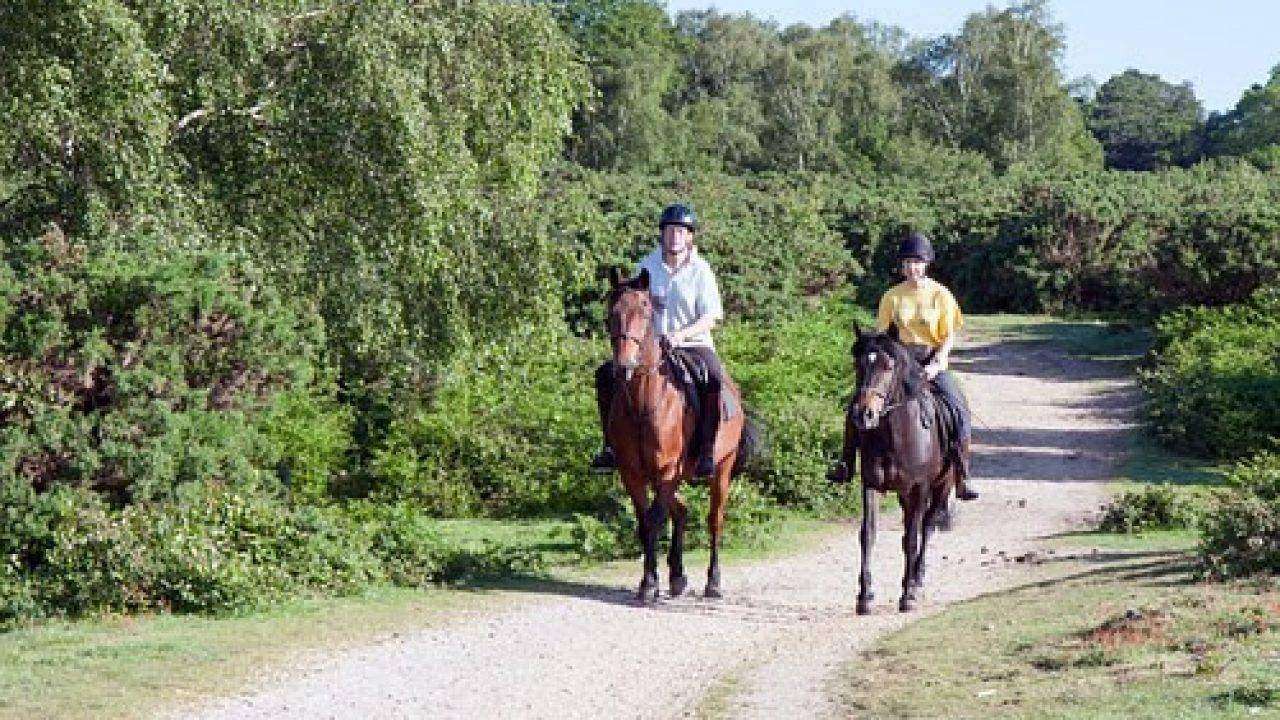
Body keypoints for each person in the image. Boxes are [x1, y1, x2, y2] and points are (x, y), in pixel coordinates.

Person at [590, 203, 727, 478]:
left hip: (692, 343)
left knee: (713, 377)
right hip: (650, 348)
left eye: (681, 231)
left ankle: (707, 452)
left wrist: (680, 335)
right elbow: (634, 306)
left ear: (690, 237)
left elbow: (712, 316)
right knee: (606, 375)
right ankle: (610, 447)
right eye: (669, 231)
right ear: (662, 235)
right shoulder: (647, 266)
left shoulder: (701, 270)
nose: (674, 236)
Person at [875, 231, 979, 501]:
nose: (912, 268)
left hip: (932, 359)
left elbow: (948, 336)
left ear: (927, 264)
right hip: (900, 361)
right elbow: (883, 336)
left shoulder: (941, 295)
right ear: (902, 266)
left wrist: (938, 363)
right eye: (908, 262)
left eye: (917, 262)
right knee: (863, 401)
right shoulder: (892, 297)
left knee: (958, 409)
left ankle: (961, 473)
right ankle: (848, 463)